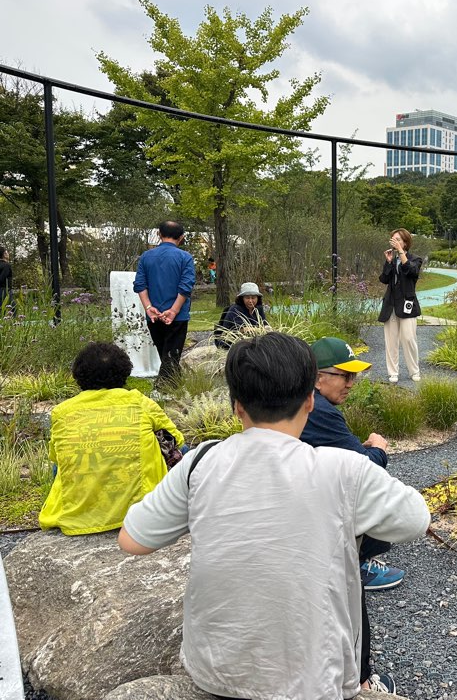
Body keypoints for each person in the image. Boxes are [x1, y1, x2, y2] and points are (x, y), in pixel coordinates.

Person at [119, 332, 430, 699]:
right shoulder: (343, 469)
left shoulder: (201, 461)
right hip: (314, 677)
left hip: (214, 672)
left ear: (236, 405)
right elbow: (415, 519)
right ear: (311, 400)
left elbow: (132, 540)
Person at [300, 337, 404, 691]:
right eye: (343, 375)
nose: (350, 383)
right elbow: (363, 470)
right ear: (316, 377)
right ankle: (361, 681)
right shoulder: (321, 411)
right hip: (320, 518)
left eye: (353, 376)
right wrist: (378, 449)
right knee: (378, 519)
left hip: (304, 505)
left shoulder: (301, 405)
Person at [38, 342, 183, 535]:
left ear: (78, 376)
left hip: (76, 519)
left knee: (59, 465)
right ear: (125, 372)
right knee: (183, 449)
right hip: (141, 514)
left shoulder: (61, 412)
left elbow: (56, 457)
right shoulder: (140, 402)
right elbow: (177, 441)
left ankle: (82, 503)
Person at [134, 221, 196, 389]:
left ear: (159, 234)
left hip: (153, 315)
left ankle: (175, 388)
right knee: (171, 356)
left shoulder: (146, 256)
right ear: (181, 237)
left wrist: (148, 308)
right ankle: (162, 390)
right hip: (177, 315)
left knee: (166, 356)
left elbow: (140, 285)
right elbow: (185, 287)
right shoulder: (185, 258)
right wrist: (174, 311)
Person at [378, 228, 422, 383]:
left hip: (407, 304)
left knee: (409, 339)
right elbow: (384, 279)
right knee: (391, 341)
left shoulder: (415, 259)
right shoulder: (392, 258)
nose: (394, 241)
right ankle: (393, 372)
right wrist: (389, 262)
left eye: (397, 239)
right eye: (392, 239)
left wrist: (401, 253)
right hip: (390, 304)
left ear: (405, 242)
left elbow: (411, 271)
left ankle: (414, 371)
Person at [213, 282, 268, 350]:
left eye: (253, 298)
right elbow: (243, 330)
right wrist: (261, 330)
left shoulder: (259, 309)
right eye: (247, 298)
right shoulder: (235, 309)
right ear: (242, 298)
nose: (250, 301)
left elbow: (264, 324)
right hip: (230, 342)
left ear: (257, 298)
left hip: (250, 340)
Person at [0, 246, 12, 315]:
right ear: (4, 254)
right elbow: (2, 278)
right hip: (5, 291)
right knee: (12, 310)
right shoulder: (6, 265)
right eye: (7, 252)